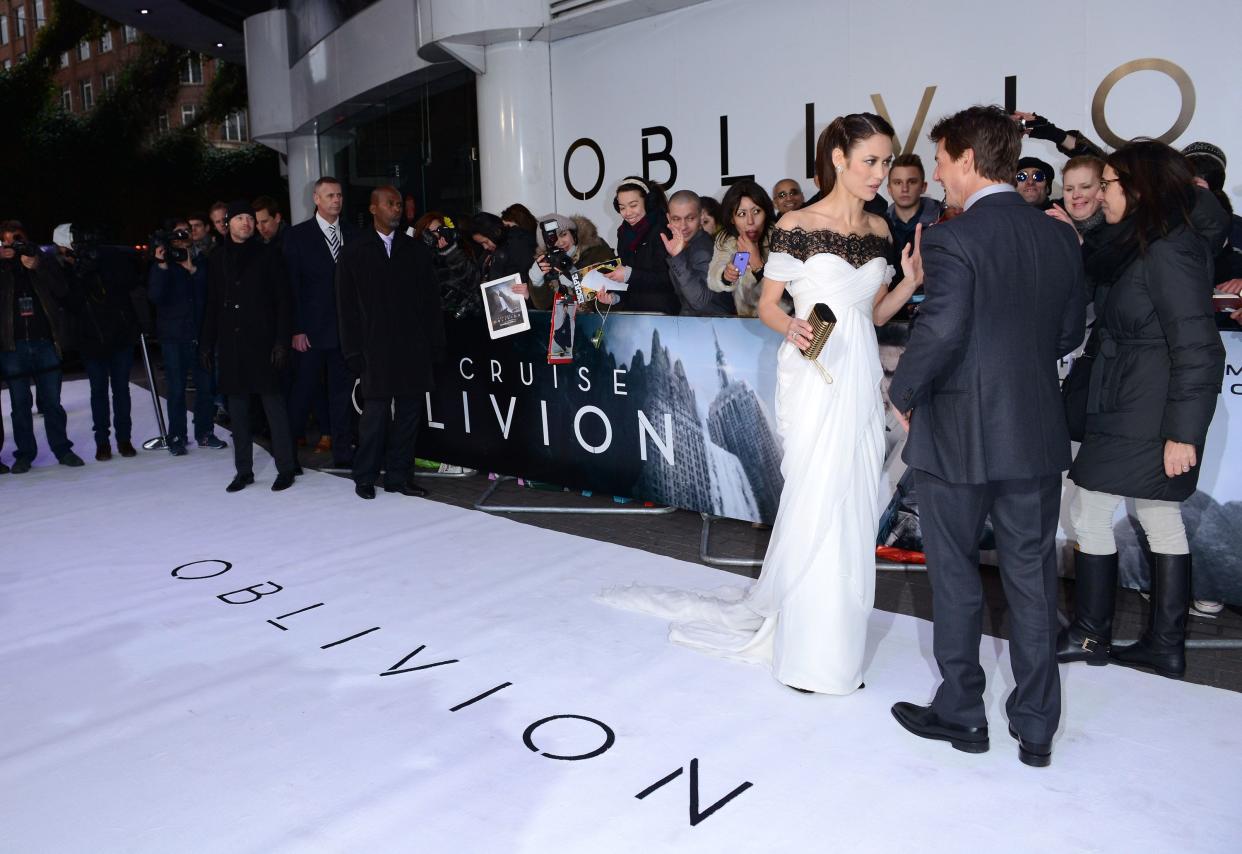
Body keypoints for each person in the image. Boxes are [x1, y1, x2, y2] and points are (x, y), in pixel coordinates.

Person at [599, 113, 920, 698]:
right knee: (815, 492)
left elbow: (872, 315)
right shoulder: (796, 224)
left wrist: (908, 280)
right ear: (840, 159)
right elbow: (769, 304)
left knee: (851, 498)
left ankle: (837, 641)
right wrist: (793, 327)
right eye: (871, 161)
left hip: (857, 373)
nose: (882, 172)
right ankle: (806, 647)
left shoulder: (879, 229)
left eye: (886, 161)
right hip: (812, 371)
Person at [887, 106, 1086, 768]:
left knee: (954, 572)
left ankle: (962, 711)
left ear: (968, 159)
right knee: (1031, 577)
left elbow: (939, 332)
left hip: (956, 433)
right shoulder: (1059, 238)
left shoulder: (952, 238)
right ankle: (1036, 729)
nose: (937, 173)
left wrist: (902, 391)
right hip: (1033, 429)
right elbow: (1065, 337)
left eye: (942, 160)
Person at [1059, 142, 1227, 678]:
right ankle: (1163, 646)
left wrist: (1184, 433)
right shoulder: (1139, 243)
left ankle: (1093, 635)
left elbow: (1200, 346)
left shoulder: (1168, 249)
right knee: (1159, 514)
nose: (1100, 193)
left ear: (1137, 188)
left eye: (1107, 184)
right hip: (1128, 400)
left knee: (1091, 511)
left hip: (1145, 408)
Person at [337, 186, 445, 500]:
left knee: (409, 417)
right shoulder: (355, 252)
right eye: (389, 204)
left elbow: (430, 304)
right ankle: (365, 477)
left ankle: (399, 476)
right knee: (375, 417)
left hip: (413, 349)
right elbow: (346, 308)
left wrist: (435, 345)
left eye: (399, 204)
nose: (396, 209)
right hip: (374, 350)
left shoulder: (415, 251)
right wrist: (352, 351)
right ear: (373, 208)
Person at [200, 200, 298, 493]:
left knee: (274, 409)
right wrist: (206, 344)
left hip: (264, 343)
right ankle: (244, 471)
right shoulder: (216, 258)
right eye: (239, 218)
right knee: (238, 412)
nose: (246, 222)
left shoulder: (269, 254)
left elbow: (284, 302)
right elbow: (213, 304)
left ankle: (286, 468)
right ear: (227, 224)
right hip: (232, 346)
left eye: (249, 218)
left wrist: (282, 342)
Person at [283, 176, 358, 469]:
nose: (336, 200)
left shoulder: (351, 233)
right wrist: (296, 328)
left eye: (339, 195)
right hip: (311, 332)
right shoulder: (297, 235)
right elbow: (292, 286)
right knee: (303, 392)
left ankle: (343, 453)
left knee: (341, 394)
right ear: (316, 199)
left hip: (344, 331)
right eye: (329, 196)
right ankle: (287, 453)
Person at [0, 221, 84, 472]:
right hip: (12, 346)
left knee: (51, 402)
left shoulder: (42, 260)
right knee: (20, 404)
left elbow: (62, 291)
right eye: (5, 241)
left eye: (15, 239)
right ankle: (25, 453)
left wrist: (37, 266)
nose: (11, 245)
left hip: (45, 341)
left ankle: (62, 449)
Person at [61, 225, 141, 461]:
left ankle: (124, 439)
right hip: (91, 340)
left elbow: (130, 283)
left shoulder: (113, 258)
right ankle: (102, 442)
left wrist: (104, 266)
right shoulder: (72, 267)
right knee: (98, 392)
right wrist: (78, 272)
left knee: (121, 391)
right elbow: (71, 303)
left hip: (119, 336)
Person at [148, 220, 225, 455]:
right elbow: (154, 296)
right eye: (177, 235)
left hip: (200, 333)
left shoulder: (202, 261)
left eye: (186, 233)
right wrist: (161, 264)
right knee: (176, 389)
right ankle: (177, 436)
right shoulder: (164, 264)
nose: (182, 239)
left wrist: (192, 270)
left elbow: (212, 293)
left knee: (205, 388)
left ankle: (204, 432)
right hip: (173, 336)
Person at [597, 177, 680, 314]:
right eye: (622, 207)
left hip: (663, 315)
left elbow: (669, 280)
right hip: (634, 315)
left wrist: (630, 274)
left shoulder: (663, 229)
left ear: (648, 202)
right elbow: (629, 281)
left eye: (633, 205)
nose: (627, 213)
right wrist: (615, 297)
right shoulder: (623, 233)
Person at [707, 180, 778, 317]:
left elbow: (787, 295)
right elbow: (713, 278)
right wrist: (726, 275)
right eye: (741, 214)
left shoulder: (781, 236)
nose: (750, 221)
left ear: (766, 212)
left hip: (783, 322)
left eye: (756, 211)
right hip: (746, 323)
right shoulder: (727, 240)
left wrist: (758, 264)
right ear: (732, 219)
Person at [516, 213, 614, 310]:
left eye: (563, 234)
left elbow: (607, 299)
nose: (560, 242)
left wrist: (575, 280)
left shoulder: (596, 251)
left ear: (573, 233)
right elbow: (543, 306)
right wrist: (537, 282)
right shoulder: (547, 263)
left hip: (596, 321)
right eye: (552, 240)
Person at [662, 190, 733, 315]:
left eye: (690, 218)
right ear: (668, 218)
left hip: (714, 328)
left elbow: (699, 301)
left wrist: (677, 257)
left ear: (701, 216)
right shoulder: (682, 244)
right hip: (696, 326)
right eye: (676, 219)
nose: (683, 226)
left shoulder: (703, 250)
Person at [413, 212, 479, 318]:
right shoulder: (419, 259)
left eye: (439, 230)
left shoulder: (459, 250)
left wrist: (451, 252)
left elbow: (473, 281)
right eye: (429, 233)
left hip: (467, 318)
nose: (436, 236)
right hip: (436, 321)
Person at [886, 153, 944, 261]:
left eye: (912, 182)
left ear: (923, 187)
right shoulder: (880, 225)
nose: (904, 189)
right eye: (898, 182)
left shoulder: (944, 219)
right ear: (889, 189)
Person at [1046, 155, 1106, 242]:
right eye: (1069, 189)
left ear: (1103, 188)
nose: (1076, 195)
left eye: (1085, 187)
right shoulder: (1049, 223)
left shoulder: (1119, 230)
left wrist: (1075, 236)